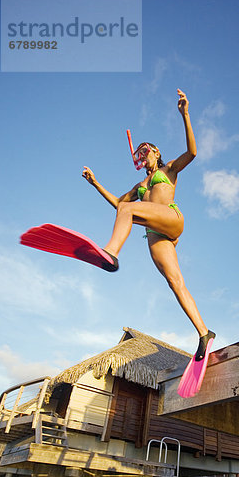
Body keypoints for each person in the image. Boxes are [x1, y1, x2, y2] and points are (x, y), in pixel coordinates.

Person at [82, 89, 214, 360]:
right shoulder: (138, 186)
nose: (142, 155)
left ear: (156, 152)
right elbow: (120, 205)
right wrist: (96, 184)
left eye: (146, 150)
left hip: (171, 218)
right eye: (139, 153)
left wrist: (185, 114)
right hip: (155, 234)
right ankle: (203, 333)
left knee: (130, 209)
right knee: (174, 281)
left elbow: (192, 151)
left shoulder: (169, 170)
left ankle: (111, 252)